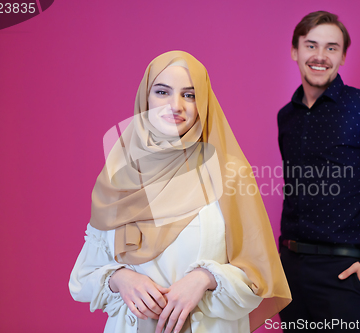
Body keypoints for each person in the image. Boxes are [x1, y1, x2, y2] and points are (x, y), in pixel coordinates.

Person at [69, 51, 290, 333]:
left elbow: (259, 276)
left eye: (190, 94)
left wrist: (205, 277)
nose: (175, 105)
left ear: (203, 104)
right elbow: (84, 275)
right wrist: (120, 278)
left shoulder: (228, 173)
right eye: (162, 92)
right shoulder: (120, 175)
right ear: (145, 98)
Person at [277, 11, 360, 332]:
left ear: (342, 56)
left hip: (345, 274)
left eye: (331, 48)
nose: (320, 56)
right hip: (291, 273)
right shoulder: (287, 117)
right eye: (311, 45)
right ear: (295, 51)